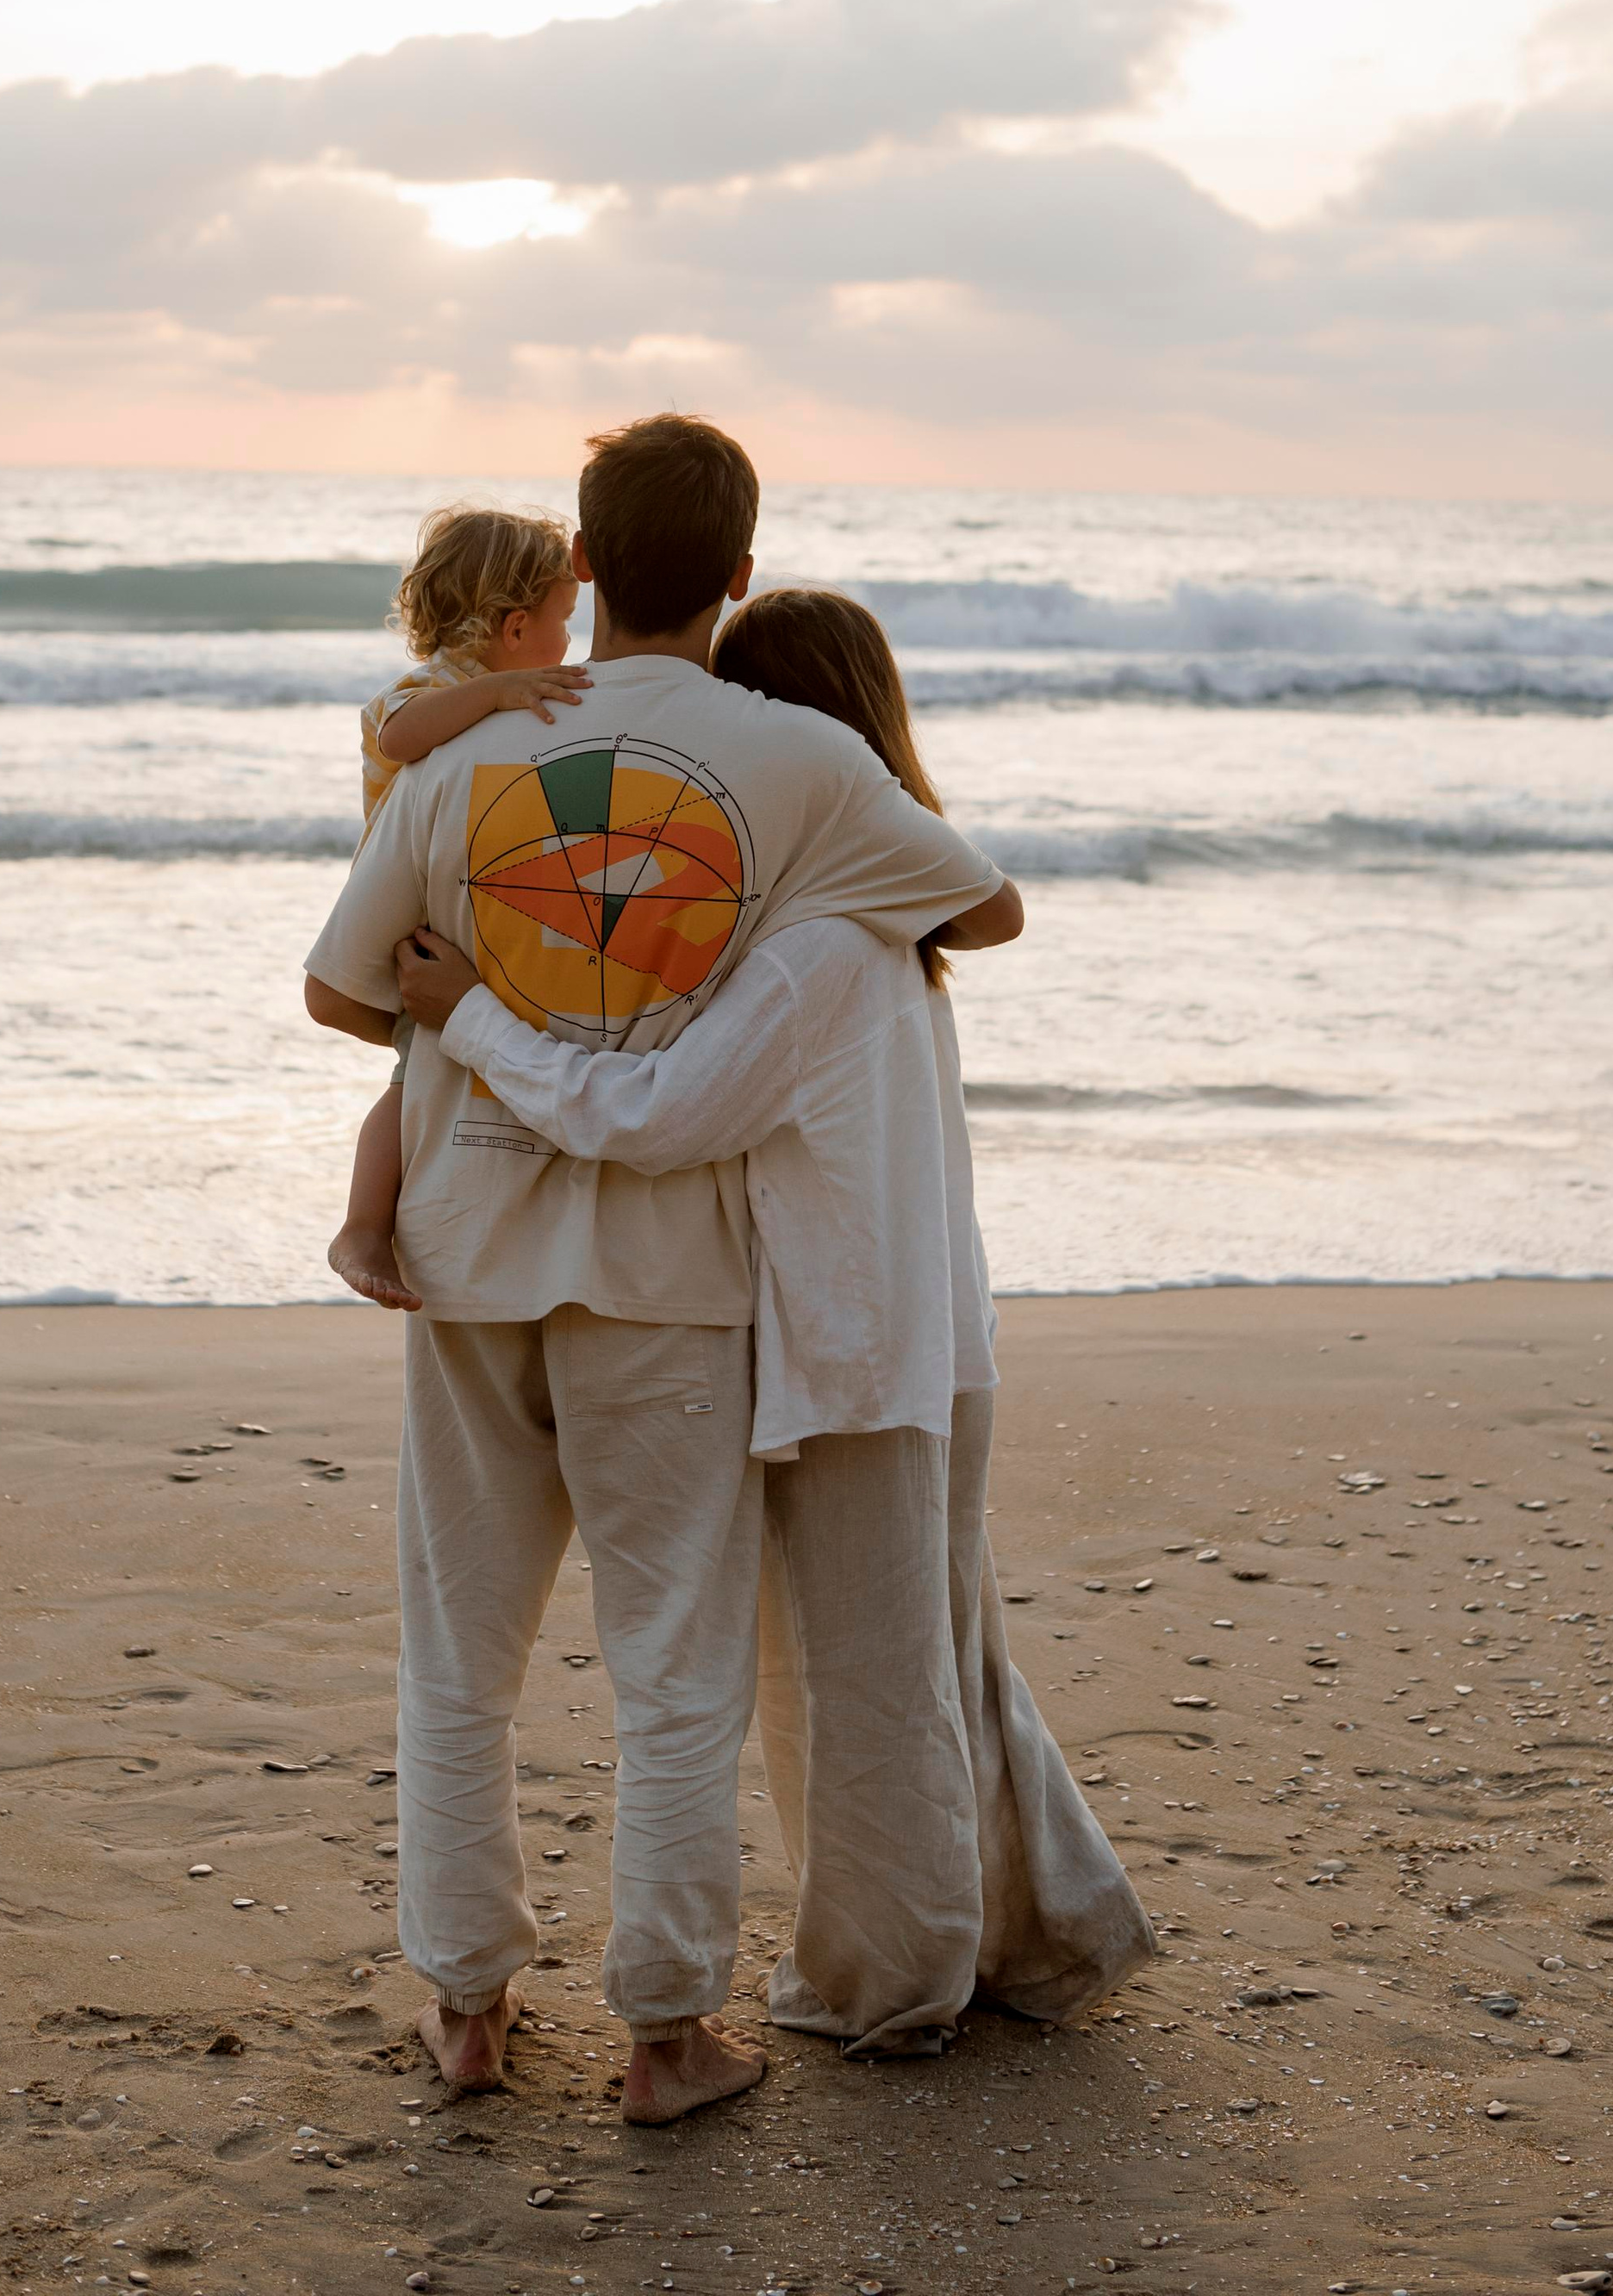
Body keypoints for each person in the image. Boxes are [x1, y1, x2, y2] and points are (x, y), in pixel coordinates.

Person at [303, 416, 1019, 2122]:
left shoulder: (465, 764)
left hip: (463, 1254)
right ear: (740, 574)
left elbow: (345, 992)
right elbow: (978, 912)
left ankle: (465, 2004)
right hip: (668, 1278)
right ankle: (662, 2034)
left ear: (587, 563)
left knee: (457, 1649)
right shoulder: (798, 766)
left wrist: (498, 993)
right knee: (675, 1670)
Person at [396, 586, 1154, 2058]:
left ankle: (896, 1979)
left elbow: (660, 1114)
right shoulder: (876, 908)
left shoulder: (817, 940)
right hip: (895, 1334)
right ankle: (1025, 1930)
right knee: (910, 1665)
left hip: (847, 1346)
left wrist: (476, 1018)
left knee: (871, 1689)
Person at [329, 503, 590, 1314]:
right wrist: (501, 694)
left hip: (463, 911)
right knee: (414, 1082)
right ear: (514, 630)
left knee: (453, 1073)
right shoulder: (423, 693)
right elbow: (401, 735)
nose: (567, 644)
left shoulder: (482, 694)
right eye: (562, 622)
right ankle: (363, 1226)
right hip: (415, 926)